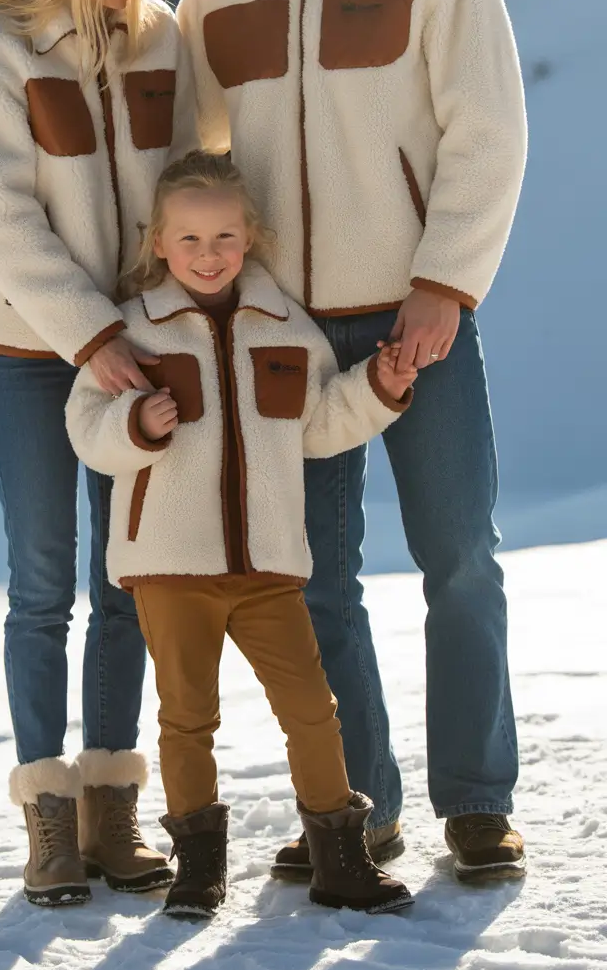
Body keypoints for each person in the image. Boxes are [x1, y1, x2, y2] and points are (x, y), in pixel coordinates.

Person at [174, 0, 528, 884]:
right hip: (282, 333)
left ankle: (478, 801)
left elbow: (488, 134)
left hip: (415, 312)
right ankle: (357, 810)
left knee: (458, 557)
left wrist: (444, 281)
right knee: (319, 583)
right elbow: (191, 162)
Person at [66, 150, 417, 918]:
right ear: (160, 242)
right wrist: (135, 422)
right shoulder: (135, 329)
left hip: (268, 568)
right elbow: (86, 428)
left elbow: (318, 424)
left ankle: (340, 860)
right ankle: (198, 869)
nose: (209, 254)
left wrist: (381, 387)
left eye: (225, 236)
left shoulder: (284, 324)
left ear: (250, 236)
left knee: (311, 709)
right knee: (187, 718)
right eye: (189, 239)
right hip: (170, 567)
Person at [0, 0, 197, 907]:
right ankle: (48, 819)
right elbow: (1, 221)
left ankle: (111, 807)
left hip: (134, 349)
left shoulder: (161, 38)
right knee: (43, 584)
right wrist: (92, 337)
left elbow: (190, 179)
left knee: (125, 580)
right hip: (23, 358)